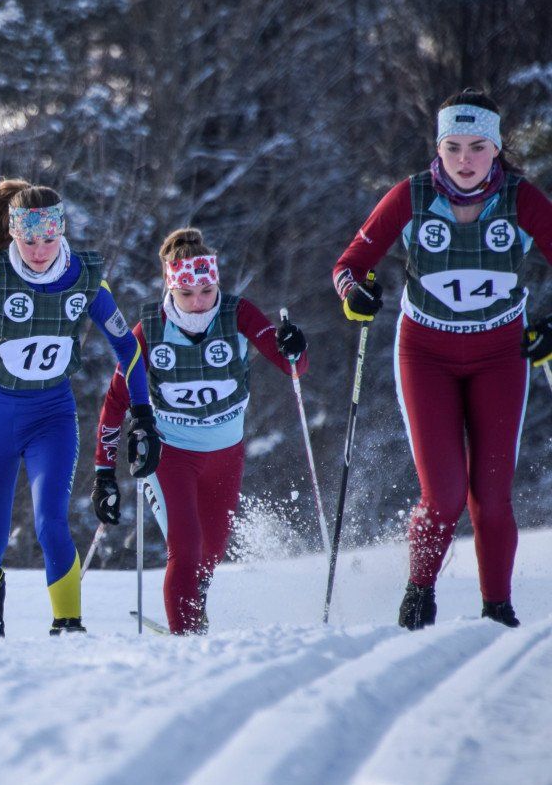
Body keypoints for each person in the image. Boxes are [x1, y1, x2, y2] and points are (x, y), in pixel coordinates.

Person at [333, 88, 552, 629]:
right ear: (439, 146)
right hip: (425, 352)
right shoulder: (409, 197)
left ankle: (497, 609)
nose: (464, 160)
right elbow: (349, 264)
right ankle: (418, 592)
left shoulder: (523, 200)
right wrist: (354, 293)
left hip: (500, 352)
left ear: (496, 149)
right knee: (445, 492)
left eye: (477, 147)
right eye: (452, 146)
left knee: (493, 494)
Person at [0, 179, 158, 636]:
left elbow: (127, 348)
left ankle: (68, 625)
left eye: (48, 238)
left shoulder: (85, 278)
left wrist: (142, 414)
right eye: (28, 239)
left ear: (61, 231)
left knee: (51, 521)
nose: (39, 250)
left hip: (52, 416)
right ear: (13, 233)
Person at [90, 229, 308, 633]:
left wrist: (294, 346)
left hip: (225, 452)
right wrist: (104, 472)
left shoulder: (237, 314)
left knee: (212, 551)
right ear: (171, 289)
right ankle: (186, 641)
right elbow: (114, 402)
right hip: (172, 454)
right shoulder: (150, 331)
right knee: (185, 550)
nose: (197, 303)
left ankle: (196, 599)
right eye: (187, 294)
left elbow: (292, 366)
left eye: (206, 291)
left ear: (217, 284)